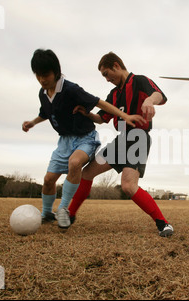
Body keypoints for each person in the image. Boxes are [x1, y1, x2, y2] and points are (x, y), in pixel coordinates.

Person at [22, 49, 145, 227]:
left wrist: (124, 116)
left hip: (85, 138)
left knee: (75, 163)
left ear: (55, 72)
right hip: (64, 141)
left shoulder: (71, 89)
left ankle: (63, 209)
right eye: (38, 75)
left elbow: (100, 103)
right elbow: (45, 113)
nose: (42, 79)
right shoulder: (43, 93)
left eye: (46, 75)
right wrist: (33, 122)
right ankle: (47, 213)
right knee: (48, 180)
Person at [61, 52, 174, 237]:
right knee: (86, 173)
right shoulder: (114, 94)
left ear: (116, 66)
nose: (106, 79)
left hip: (138, 137)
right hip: (121, 140)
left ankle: (163, 223)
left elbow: (160, 95)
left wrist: (149, 100)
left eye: (106, 74)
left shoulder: (139, 81)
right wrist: (86, 113)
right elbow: (102, 118)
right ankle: (69, 215)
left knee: (128, 186)